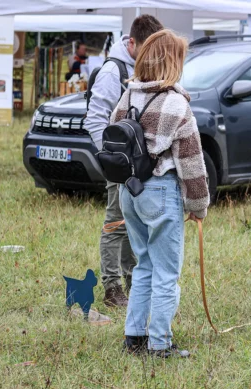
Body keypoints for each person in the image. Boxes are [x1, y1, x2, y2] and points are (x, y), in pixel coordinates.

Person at [111, 29, 210, 358]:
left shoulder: (127, 97)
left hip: (129, 191)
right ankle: (160, 343)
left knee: (144, 265)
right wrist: (198, 206)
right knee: (167, 273)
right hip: (160, 191)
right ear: (172, 62)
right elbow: (191, 163)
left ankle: (134, 337)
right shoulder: (177, 103)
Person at [84, 15, 164, 308]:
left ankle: (133, 281)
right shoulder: (112, 71)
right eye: (147, 49)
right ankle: (112, 288)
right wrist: (112, 160)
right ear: (132, 43)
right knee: (116, 223)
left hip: (140, 165)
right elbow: (94, 119)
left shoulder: (142, 68)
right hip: (121, 165)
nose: (152, 56)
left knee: (136, 224)